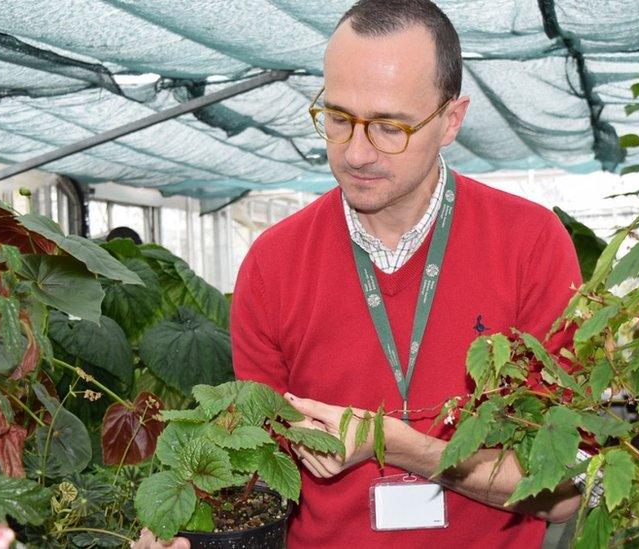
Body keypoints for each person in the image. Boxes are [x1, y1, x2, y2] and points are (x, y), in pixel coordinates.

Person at [231, 1, 587, 547]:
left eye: (389, 127)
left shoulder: (530, 246)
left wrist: (400, 447)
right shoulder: (272, 265)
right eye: (338, 118)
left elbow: (565, 489)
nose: (355, 152)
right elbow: (253, 474)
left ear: (451, 121)